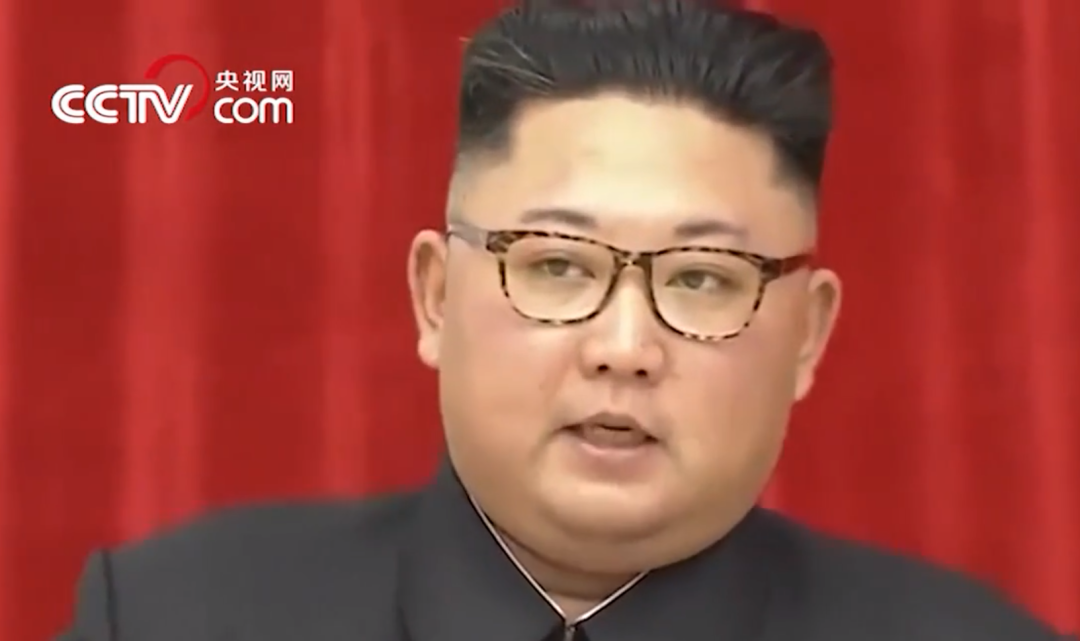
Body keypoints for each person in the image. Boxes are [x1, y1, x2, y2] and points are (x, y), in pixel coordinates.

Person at [57, 2, 1073, 640]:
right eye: (555, 264)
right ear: (435, 296)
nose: (624, 349)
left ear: (807, 335)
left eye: (703, 279)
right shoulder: (168, 615)